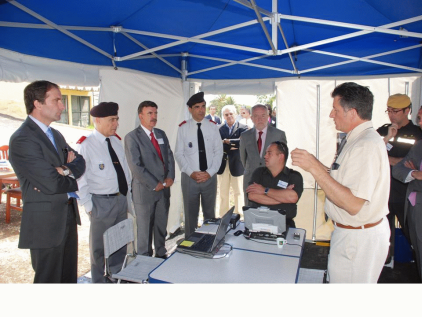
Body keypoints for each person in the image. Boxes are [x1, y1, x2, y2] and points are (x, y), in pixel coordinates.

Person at [291, 82, 390, 283]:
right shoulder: (358, 139)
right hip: (354, 235)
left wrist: (313, 167)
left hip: (357, 239)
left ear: (352, 113)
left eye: (335, 110)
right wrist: (314, 162)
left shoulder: (365, 145)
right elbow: (341, 179)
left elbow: (353, 204)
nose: (331, 115)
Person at [9, 80, 86, 283]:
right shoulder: (23, 138)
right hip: (46, 224)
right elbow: (51, 183)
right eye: (57, 100)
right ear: (38, 103)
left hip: (67, 214)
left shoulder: (55, 134)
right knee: (49, 280)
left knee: (68, 277)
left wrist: (63, 170)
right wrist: (67, 174)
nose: (63, 106)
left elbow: (80, 161)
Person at [75, 102, 131, 283]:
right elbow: (80, 178)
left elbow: (125, 172)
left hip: (119, 199)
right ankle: (98, 280)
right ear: (97, 120)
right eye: (111, 120)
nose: (116, 124)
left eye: (116, 119)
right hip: (100, 202)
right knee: (98, 247)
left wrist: (127, 196)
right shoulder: (86, 144)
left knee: (119, 241)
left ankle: (116, 275)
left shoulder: (116, 141)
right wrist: (88, 205)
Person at [125, 101, 175, 259]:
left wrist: (170, 176)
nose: (154, 117)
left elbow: (169, 157)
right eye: (150, 114)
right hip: (145, 192)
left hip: (164, 190)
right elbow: (136, 166)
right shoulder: (132, 137)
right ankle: (144, 262)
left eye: (155, 113)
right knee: (145, 231)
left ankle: (161, 255)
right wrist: (155, 184)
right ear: (141, 116)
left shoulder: (161, 134)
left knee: (161, 227)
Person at [376, 94, 422, 264]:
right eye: (388, 110)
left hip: (406, 194)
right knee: (382, 235)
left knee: (414, 234)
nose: (391, 115)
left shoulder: (417, 133)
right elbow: (369, 153)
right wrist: (399, 161)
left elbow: (414, 166)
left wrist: (386, 160)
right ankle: (383, 265)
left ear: (407, 110)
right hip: (384, 192)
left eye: (395, 111)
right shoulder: (383, 130)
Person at [175, 92, 223, 237]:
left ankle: (208, 241)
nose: (201, 110)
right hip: (190, 178)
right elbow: (179, 153)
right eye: (197, 107)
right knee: (190, 215)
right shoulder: (183, 128)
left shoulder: (213, 127)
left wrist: (210, 172)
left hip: (209, 177)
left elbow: (218, 152)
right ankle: (190, 242)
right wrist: (191, 173)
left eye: (203, 106)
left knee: (210, 214)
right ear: (190, 109)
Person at [392, 111, 422, 280]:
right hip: (415, 210)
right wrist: (415, 174)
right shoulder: (419, 146)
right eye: (419, 118)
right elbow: (399, 170)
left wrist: (416, 174)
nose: (420, 121)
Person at [246, 142, 303, 228]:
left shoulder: (294, 176)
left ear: (281, 156)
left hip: (284, 224)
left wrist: (264, 190)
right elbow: (252, 196)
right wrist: (283, 198)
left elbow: (292, 197)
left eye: (269, 153)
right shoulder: (259, 172)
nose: (265, 156)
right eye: (266, 153)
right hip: (258, 222)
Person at [240, 104, 287, 205]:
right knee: (251, 212)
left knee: (271, 212)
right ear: (251, 118)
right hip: (251, 180)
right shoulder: (245, 136)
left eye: (263, 115)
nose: (260, 119)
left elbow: (283, 160)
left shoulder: (279, 134)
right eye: (256, 116)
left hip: (272, 180)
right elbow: (243, 158)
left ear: (268, 116)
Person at [217, 105, 248, 216]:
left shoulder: (243, 127)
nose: (229, 116)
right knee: (223, 193)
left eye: (231, 113)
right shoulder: (219, 129)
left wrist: (226, 141)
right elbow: (216, 145)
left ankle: (239, 216)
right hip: (222, 164)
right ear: (223, 116)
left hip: (238, 164)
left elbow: (243, 143)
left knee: (239, 192)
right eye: (226, 114)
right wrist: (234, 144)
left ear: (235, 114)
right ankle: (223, 217)